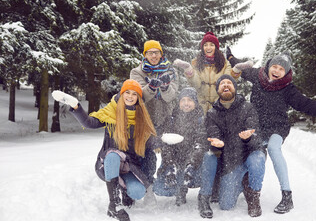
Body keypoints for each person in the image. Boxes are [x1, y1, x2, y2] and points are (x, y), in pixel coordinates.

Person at [228, 49, 316, 214]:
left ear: (287, 72)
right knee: (252, 156)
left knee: (273, 148)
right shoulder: (257, 77)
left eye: (282, 69)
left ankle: (287, 196)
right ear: (269, 66)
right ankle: (241, 187)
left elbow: (310, 105)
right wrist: (229, 56)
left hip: (277, 128)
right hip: (256, 127)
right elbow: (238, 65)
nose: (277, 71)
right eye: (275, 67)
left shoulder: (288, 90)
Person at [52, 79, 159, 221]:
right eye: (127, 92)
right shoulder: (111, 112)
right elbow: (88, 123)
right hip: (108, 164)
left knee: (138, 192)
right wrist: (76, 106)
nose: (130, 96)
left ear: (138, 98)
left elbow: (151, 143)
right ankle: (114, 205)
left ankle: (125, 191)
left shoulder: (142, 118)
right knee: (113, 154)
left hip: (129, 167)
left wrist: (164, 141)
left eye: (134, 94)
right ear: (121, 94)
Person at [198, 74, 267, 219]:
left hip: (250, 153)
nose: (226, 85)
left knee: (258, 159)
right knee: (226, 205)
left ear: (234, 88)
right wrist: (218, 145)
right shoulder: (212, 113)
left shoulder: (247, 107)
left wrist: (249, 137)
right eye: (222, 83)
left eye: (229, 82)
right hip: (231, 161)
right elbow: (213, 134)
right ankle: (243, 181)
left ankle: (254, 197)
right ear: (218, 90)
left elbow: (255, 134)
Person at [130, 40, 179, 203]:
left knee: (169, 152)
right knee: (147, 154)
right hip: (146, 120)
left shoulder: (171, 71)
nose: (153, 56)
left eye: (156, 52)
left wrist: (165, 87)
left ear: (161, 54)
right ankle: (148, 187)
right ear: (145, 55)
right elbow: (139, 95)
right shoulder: (136, 72)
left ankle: (171, 184)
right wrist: (151, 87)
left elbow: (172, 96)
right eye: (150, 53)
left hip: (167, 118)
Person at [152, 87, 208, 206]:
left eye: (190, 100)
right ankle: (178, 187)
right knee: (160, 188)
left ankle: (188, 187)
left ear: (195, 102)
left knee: (202, 175)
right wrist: (171, 166)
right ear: (179, 102)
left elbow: (200, 145)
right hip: (175, 160)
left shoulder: (201, 120)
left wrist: (191, 165)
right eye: (183, 100)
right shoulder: (171, 119)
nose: (186, 103)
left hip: (194, 163)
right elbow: (166, 145)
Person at [173, 32, 245, 114]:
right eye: (205, 45)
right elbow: (196, 84)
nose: (208, 48)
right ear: (202, 48)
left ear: (216, 47)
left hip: (219, 106)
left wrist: (235, 71)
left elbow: (227, 80)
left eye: (211, 45)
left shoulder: (224, 63)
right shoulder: (196, 62)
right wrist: (189, 71)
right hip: (200, 106)